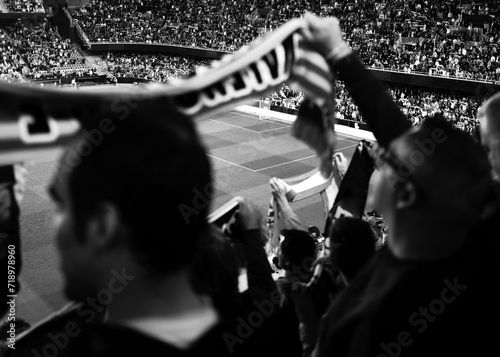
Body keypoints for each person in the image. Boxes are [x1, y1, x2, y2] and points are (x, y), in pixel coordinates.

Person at [2, 99, 273, 357]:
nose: (54, 224)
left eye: (61, 206)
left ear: (102, 226)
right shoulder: (269, 329)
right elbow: (262, 290)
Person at [300, 13, 497, 357]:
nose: (380, 157)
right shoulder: (466, 242)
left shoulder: (366, 326)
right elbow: (408, 143)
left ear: (405, 195)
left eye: (388, 161)